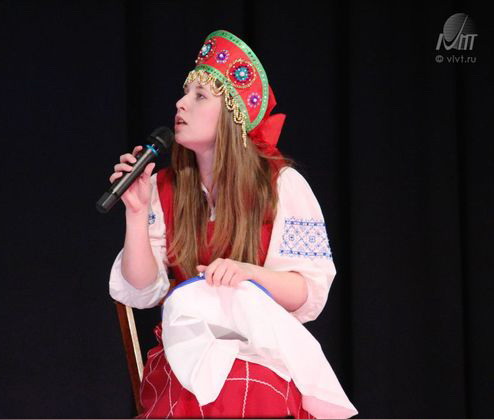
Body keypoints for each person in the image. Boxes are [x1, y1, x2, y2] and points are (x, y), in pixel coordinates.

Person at [108, 30, 354, 419]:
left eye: (200, 96)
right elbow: (140, 290)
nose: (180, 103)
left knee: (244, 386)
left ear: (234, 114)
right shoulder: (163, 189)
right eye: (185, 93)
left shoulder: (281, 185)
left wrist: (248, 274)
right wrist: (136, 214)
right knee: (199, 392)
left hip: (260, 352)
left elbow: (307, 290)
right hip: (188, 353)